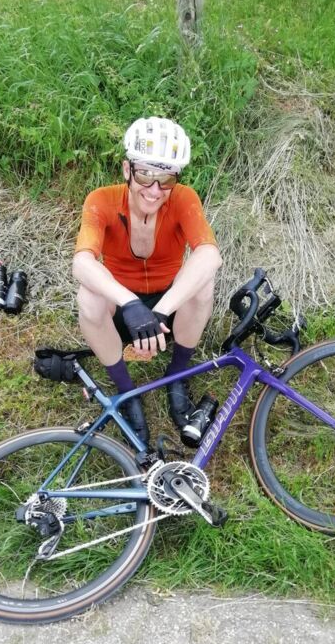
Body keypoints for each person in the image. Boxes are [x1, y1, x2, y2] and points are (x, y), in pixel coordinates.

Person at [72, 116, 222, 444]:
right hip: (123, 313)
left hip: (167, 316)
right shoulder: (101, 199)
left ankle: (177, 375)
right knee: (89, 297)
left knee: (204, 283)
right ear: (127, 169)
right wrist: (129, 303)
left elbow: (210, 255)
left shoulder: (183, 198)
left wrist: (161, 311)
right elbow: (82, 263)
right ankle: (126, 392)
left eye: (166, 179)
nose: (155, 191)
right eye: (145, 175)